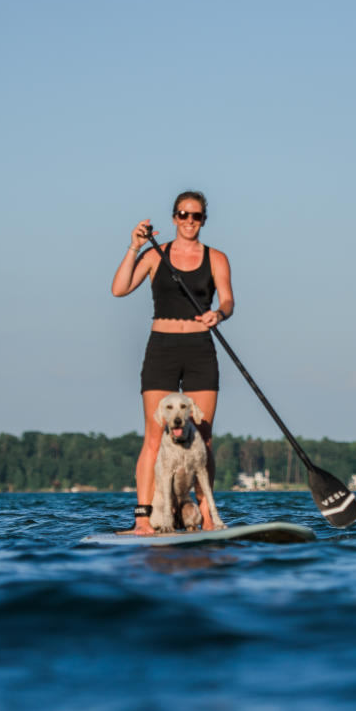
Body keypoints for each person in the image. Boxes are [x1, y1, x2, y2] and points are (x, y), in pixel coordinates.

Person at [110, 191, 233, 534]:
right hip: (162, 348)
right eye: (183, 214)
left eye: (196, 216)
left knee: (204, 438)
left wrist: (218, 314)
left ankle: (208, 517)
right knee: (154, 436)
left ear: (203, 220)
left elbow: (228, 301)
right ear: (174, 218)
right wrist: (134, 246)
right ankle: (143, 521)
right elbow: (119, 289)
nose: (189, 221)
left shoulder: (217, 258)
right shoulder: (154, 256)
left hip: (199, 347)